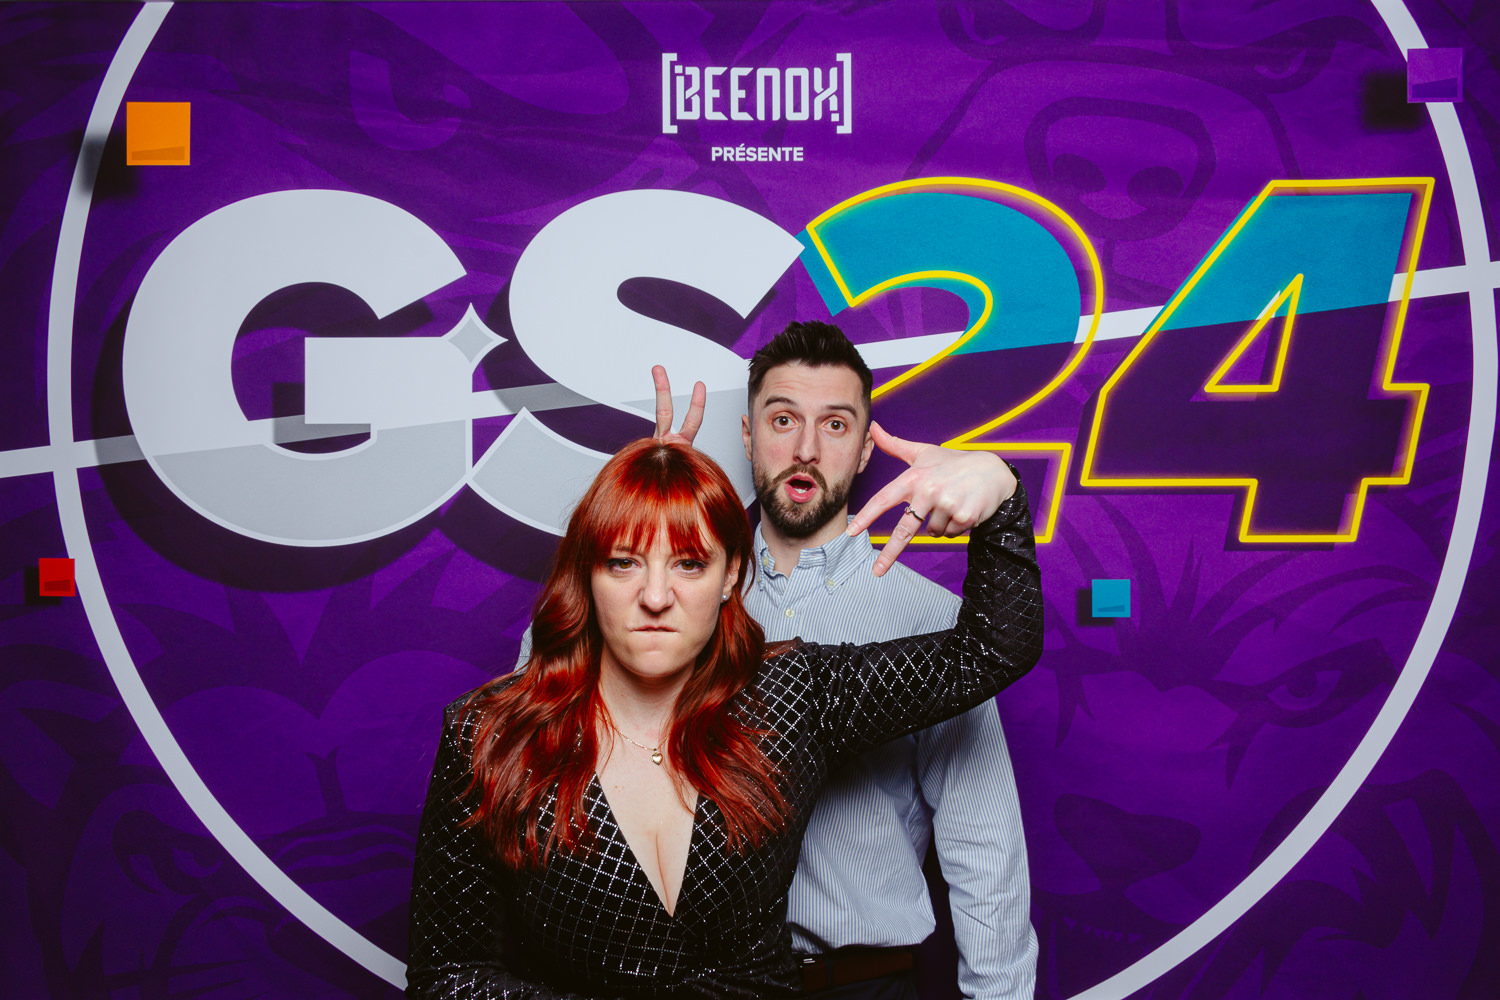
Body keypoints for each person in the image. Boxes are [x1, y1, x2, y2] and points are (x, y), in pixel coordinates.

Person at [404, 410, 1043, 998]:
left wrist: (999, 489)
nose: (656, 596)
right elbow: (447, 976)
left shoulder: (789, 697)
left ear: (731, 574)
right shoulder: (487, 734)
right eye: (624, 563)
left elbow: (989, 650)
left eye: (687, 563)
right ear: (588, 574)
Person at [732, 321, 1037, 1000]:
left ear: (867, 448)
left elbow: (984, 848)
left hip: (861, 985)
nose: (805, 449)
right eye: (782, 419)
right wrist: (631, 528)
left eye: (835, 424)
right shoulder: (673, 607)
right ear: (748, 435)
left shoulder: (937, 622)